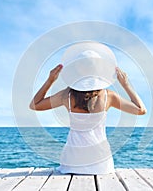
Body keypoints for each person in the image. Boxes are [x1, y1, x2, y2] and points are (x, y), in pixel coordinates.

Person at [29, 41, 146, 175]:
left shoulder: (66, 95)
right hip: (101, 165)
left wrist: (50, 81)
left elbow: (35, 105)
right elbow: (141, 110)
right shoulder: (108, 96)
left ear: (76, 70)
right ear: (98, 69)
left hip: (72, 163)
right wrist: (125, 85)